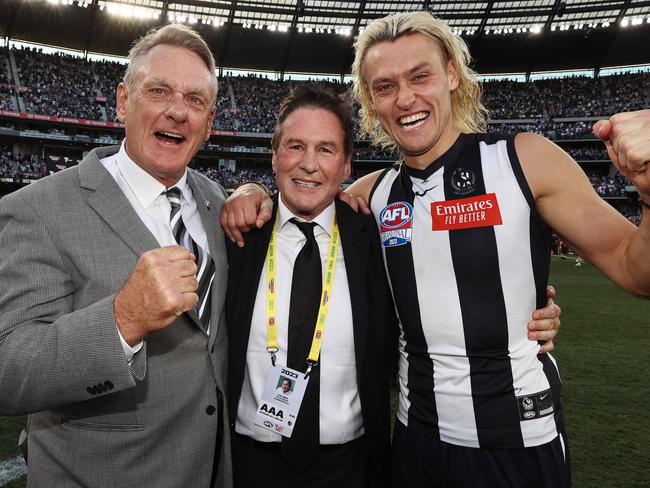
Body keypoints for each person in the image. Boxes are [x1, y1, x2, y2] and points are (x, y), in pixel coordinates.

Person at [221, 11, 650, 488]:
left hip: (518, 443)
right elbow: (302, 196)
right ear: (372, 103)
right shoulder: (373, 195)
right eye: (385, 87)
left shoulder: (524, 160)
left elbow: (637, 272)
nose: (405, 98)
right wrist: (248, 193)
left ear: (451, 74)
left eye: (419, 76)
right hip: (414, 443)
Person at [0, 24, 232, 487]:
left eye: (195, 100)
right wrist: (122, 319)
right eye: (159, 91)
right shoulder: (35, 209)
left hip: (207, 469)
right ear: (124, 101)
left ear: (208, 125)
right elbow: (9, 370)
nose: (176, 111)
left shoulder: (217, 202)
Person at [225, 84, 396, 488]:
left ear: (347, 165)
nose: (308, 164)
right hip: (249, 462)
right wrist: (246, 191)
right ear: (274, 156)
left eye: (325, 149)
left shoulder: (373, 240)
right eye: (295, 146)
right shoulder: (238, 237)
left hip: (349, 466)